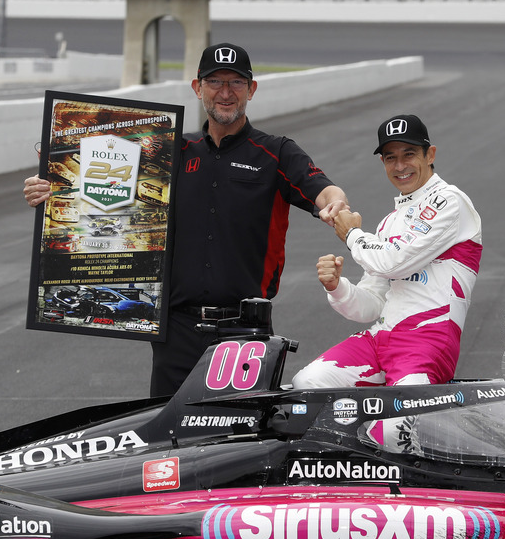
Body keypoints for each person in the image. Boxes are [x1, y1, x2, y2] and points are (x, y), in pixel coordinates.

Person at [24, 42, 349, 396]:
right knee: (166, 441)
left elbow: (326, 191)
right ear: (198, 88)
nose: (225, 93)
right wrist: (49, 190)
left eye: (236, 83)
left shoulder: (277, 152)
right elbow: (98, 193)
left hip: (244, 331)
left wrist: (336, 204)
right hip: (174, 328)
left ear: (251, 90)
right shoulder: (167, 153)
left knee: (239, 443)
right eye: (215, 82)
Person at [290, 114, 482, 390]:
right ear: (382, 163)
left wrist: (353, 235)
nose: (400, 165)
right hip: (381, 338)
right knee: (307, 384)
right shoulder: (389, 222)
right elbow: (372, 304)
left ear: (430, 155)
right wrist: (337, 287)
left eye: (409, 154)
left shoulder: (449, 201)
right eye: (390, 157)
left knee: (390, 431)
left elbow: (394, 262)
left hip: (428, 342)